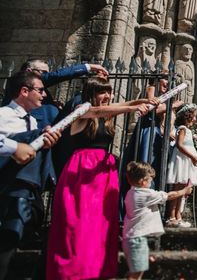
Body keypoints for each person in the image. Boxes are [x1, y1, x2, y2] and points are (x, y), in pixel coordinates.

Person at [46, 77, 152, 280]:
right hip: (82, 170)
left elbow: (118, 106)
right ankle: (74, 272)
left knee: (100, 224)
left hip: (104, 172)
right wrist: (132, 107)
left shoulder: (107, 114)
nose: (108, 97)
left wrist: (141, 102)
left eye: (109, 92)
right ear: (91, 94)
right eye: (102, 92)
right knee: (78, 222)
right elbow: (99, 111)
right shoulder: (81, 109)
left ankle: (96, 270)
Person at [0, 71, 62, 280]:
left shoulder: (33, 122)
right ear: (24, 91)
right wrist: (15, 146)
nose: (44, 95)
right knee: (8, 240)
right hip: (10, 188)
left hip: (30, 192)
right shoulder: (4, 114)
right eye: (40, 90)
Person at [122, 161, 193, 280]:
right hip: (137, 240)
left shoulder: (131, 193)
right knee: (136, 274)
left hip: (132, 238)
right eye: (150, 180)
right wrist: (184, 191)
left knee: (135, 271)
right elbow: (169, 196)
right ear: (143, 181)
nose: (151, 182)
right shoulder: (145, 194)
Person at [2, 58, 109, 128]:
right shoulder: (20, 81)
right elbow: (56, 76)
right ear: (29, 71)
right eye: (43, 73)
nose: (47, 76)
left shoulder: (40, 90)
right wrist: (89, 67)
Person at [165, 104, 197, 227]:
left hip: (186, 160)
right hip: (181, 160)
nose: (195, 118)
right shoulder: (182, 128)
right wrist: (192, 157)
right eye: (194, 116)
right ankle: (171, 216)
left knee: (182, 188)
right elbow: (179, 145)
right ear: (188, 116)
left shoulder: (188, 130)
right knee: (177, 188)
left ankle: (178, 215)